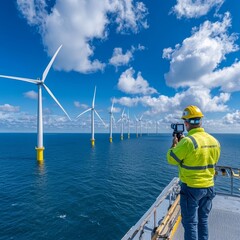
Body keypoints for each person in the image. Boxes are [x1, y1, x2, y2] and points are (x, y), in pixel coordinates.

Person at [167, 105, 221, 240]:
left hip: (191, 188)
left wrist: (174, 145)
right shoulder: (214, 141)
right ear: (200, 121)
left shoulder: (187, 142)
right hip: (209, 187)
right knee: (203, 220)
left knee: (190, 223)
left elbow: (171, 159)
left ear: (186, 123)